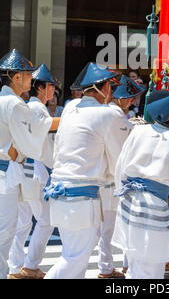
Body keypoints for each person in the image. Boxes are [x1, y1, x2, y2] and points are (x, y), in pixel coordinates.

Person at [43, 63, 132, 279]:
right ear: (105, 88)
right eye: (110, 85)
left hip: (60, 190)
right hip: (81, 196)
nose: (112, 91)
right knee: (75, 259)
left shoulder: (71, 108)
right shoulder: (109, 114)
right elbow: (120, 158)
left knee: (73, 256)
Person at [111, 89, 169, 279]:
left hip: (129, 198)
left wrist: (119, 192)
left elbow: (120, 167)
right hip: (154, 203)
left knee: (136, 262)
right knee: (151, 268)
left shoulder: (139, 131)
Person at [0, 50, 59, 280]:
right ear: (16, 77)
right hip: (7, 172)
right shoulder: (15, 104)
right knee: (6, 231)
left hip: (9, 171)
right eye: (26, 75)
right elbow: (32, 141)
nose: (30, 79)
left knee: (15, 227)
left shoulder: (6, 101)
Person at [97, 75, 145, 279]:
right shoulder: (115, 117)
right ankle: (109, 268)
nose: (132, 101)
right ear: (122, 98)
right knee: (112, 226)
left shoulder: (112, 115)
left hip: (108, 177)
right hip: (113, 178)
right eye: (130, 97)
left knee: (109, 227)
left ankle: (112, 266)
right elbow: (120, 154)